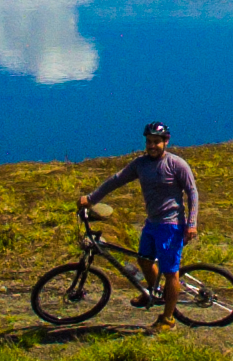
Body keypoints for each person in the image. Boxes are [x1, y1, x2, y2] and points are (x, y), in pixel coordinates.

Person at [79, 121, 203, 318]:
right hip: (152, 223)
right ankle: (154, 293)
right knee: (144, 261)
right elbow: (116, 180)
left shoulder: (176, 164)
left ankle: (168, 318)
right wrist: (92, 198)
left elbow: (192, 193)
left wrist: (192, 224)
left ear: (166, 142)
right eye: (149, 142)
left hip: (171, 225)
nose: (152, 146)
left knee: (170, 272)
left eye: (156, 142)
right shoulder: (141, 164)